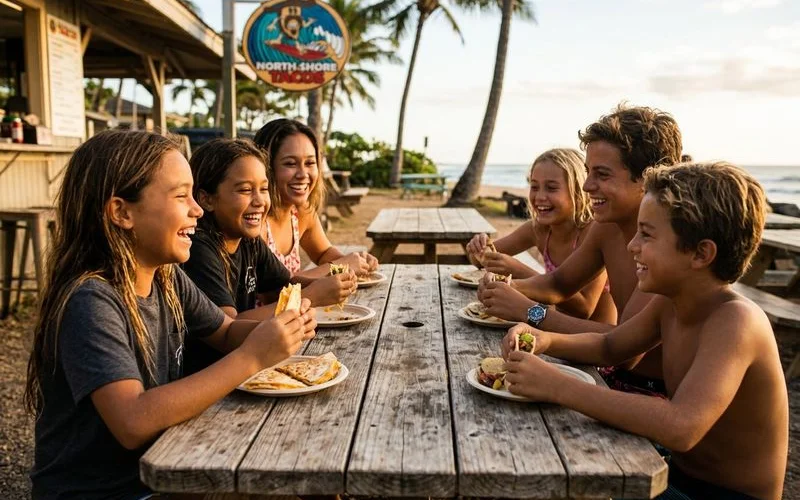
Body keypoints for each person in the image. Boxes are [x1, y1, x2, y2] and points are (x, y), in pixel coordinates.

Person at [24, 130, 317, 499]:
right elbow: (131, 421)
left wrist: (283, 328)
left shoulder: (166, 276)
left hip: (166, 468)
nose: (196, 209)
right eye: (181, 196)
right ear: (122, 212)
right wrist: (253, 356)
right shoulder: (91, 300)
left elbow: (225, 332)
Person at [501, 162, 788, 500]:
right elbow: (610, 346)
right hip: (677, 474)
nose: (632, 245)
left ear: (701, 253)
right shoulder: (671, 302)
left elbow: (681, 427)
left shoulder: (736, 321)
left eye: (647, 234)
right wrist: (546, 339)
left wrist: (557, 386)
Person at [479, 104, 683, 395]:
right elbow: (558, 283)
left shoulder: (666, 248)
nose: (587, 186)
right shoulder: (608, 227)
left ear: (648, 178)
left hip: (652, 391)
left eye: (601, 174)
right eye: (588, 172)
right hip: (606, 373)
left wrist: (531, 312)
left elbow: (624, 351)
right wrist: (506, 289)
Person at [181, 138, 344, 374]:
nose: (259, 201)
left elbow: (285, 284)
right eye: (245, 190)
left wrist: (328, 282)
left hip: (249, 367)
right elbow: (229, 326)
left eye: (264, 189)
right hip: (215, 373)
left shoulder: (249, 240)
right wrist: (310, 296)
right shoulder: (198, 249)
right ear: (207, 199)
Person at [466, 148, 615, 323]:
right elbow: (480, 260)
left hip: (592, 339)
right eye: (534, 186)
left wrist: (518, 272)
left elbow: (583, 308)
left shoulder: (593, 233)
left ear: (577, 191)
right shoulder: (539, 230)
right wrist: (478, 248)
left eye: (551, 188)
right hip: (553, 329)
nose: (539, 196)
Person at [253, 118, 378, 283]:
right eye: (290, 164)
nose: (303, 174)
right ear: (266, 167)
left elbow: (323, 253)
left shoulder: (301, 211)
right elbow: (276, 287)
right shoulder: (254, 219)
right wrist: (340, 266)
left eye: (310, 163)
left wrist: (355, 264)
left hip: (297, 308)